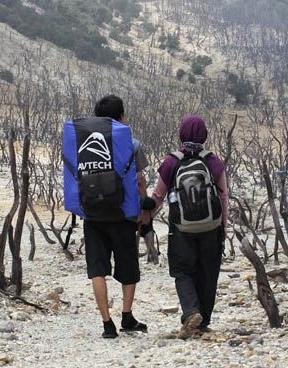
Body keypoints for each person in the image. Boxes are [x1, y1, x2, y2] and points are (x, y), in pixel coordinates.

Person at [143, 115, 228, 338]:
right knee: (209, 272)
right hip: (211, 226)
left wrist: (145, 220)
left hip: (181, 228)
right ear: (204, 134)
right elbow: (223, 197)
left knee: (182, 271)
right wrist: (223, 227)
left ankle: (191, 312)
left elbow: (158, 196)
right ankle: (203, 321)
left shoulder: (172, 161)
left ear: (181, 133)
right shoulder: (213, 161)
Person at [80, 95, 149, 339]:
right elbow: (139, 180)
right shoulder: (132, 143)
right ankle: (127, 316)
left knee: (97, 269)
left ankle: (107, 324)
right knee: (128, 267)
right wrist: (144, 211)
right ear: (122, 116)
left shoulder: (83, 144)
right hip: (123, 215)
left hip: (93, 215)